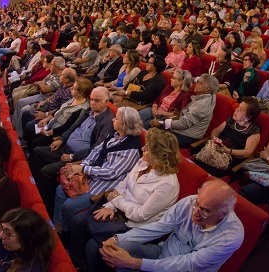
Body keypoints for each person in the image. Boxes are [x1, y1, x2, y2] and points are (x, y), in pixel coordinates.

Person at [70, 128, 181, 269]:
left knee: (93, 247)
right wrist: (110, 206)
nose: (142, 149)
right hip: (119, 209)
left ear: (159, 156)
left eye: (146, 149)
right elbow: (124, 184)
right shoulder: (143, 162)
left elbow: (140, 215)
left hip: (134, 225)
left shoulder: (167, 184)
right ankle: (76, 264)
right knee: (77, 221)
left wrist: (116, 202)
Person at [98, 179, 243, 272]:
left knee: (124, 265)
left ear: (222, 214)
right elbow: (160, 227)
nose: (195, 212)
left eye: (205, 211)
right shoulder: (189, 202)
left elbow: (187, 264)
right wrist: (118, 238)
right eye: (197, 204)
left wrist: (134, 263)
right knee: (115, 250)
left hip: (184, 269)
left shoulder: (230, 237)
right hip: (162, 252)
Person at [53, 107, 142, 240]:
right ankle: (58, 226)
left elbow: (111, 173)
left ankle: (65, 235)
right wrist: (81, 167)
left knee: (69, 206)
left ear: (125, 124)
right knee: (60, 189)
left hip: (103, 187)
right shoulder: (114, 135)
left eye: (116, 118)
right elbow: (95, 153)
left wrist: (84, 170)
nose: (113, 119)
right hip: (91, 176)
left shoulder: (131, 149)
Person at [31, 87, 115, 216]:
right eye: (91, 99)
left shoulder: (107, 122)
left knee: (46, 171)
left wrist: (71, 156)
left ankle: (46, 206)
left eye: (97, 100)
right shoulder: (89, 111)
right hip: (65, 148)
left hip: (78, 158)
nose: (92, 103)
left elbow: (96, 149)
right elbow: (73, 127)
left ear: (106, 101)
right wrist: (61, 140)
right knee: (37, 152)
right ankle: (36, 190)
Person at [195, 97, 261, 178]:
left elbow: (247, 152)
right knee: (196, 162)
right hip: (214, 150)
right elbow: (215, 131)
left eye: (241, 109)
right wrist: (215, 140)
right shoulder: (231, 120)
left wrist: (228, 150)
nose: (236, 110)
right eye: (238, 107)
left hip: (229, 159)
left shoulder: (254, 130)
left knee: (205, 171)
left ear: (248, 117)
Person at [150, 74, 217, 148]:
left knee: (153, 136)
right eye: (197, 82)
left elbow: (183, 124)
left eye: (200, 83)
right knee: (152, 129)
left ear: (207, 88)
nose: (196, 84)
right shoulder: (211, 94)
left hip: (186, 135)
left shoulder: (202, 104)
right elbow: (199, 80)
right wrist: (189, 78)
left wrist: (161, 123)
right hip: (182, 127)